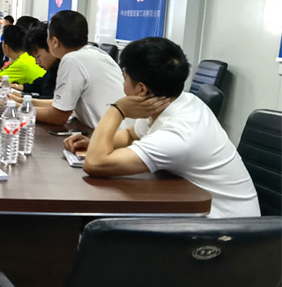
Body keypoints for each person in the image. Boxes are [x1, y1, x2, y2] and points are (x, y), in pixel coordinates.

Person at [63, 37, 260, 219]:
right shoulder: (179, 101)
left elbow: (95, 164)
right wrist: (96, 143)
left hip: (226, 228)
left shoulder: (178, 133)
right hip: (194, 208)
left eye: (125, 79)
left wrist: (117, 110)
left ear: (141, 89)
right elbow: (131, 135)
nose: (123, 85)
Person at [32, 10, 125, 128]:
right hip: (122, 130)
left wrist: (20, 110)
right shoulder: (98, 53)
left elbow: (59, 116)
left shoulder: (72, 59)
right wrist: (26, 102)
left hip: (110, 134)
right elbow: (62, 105)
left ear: (55, 42)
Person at [15, 22, 60, 99]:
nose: (37, 62)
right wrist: (14, 86)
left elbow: (52, 100)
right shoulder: (52, 68)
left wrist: (22, 98)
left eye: (38, 56)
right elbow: (38, 85)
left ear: (51, 46)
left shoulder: (65, 68)